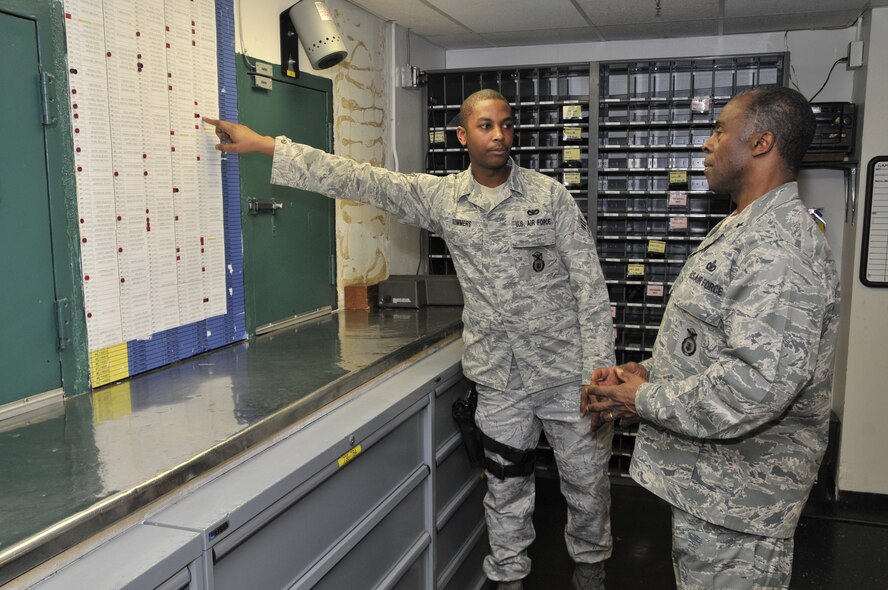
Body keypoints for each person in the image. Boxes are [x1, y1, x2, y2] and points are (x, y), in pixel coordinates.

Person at [204, 88, 615, 590]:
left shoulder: (548, 197)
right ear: (463, 135)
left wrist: (601, 373)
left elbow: (590, 287)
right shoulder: (444, 198)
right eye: (486, 126)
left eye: (506, 125)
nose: (499, 136)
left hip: (566, 374)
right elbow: (361, 178)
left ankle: (591, 573)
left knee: (587, 484)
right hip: (500, 379)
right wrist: (267, 145)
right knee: (505, 488)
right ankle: (509, 579)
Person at [582, 85, 840, 589]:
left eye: (720, 129)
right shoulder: (742, 228)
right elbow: (715, 345)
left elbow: (753, 389)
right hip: (715, 491)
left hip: (743, 503)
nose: (707, 142)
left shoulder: (780, 250)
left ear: (761, 143)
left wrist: (643, 399)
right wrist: (644, 374)